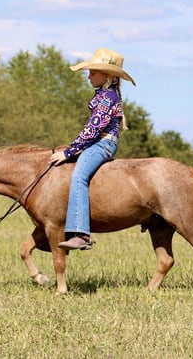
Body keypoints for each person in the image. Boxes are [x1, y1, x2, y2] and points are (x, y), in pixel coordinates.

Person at [50, 48, 136, 251]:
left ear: (107, 76)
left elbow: (93, 129)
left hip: (102, 143)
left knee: (79, 177)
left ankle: (81, 234)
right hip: (98, 142)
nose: (89, 76)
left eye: (93, 72)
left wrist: (68, 152)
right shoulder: (105, 95)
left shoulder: (107, 98)